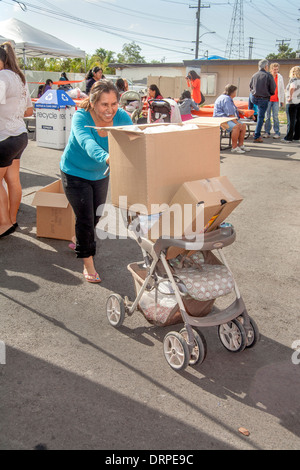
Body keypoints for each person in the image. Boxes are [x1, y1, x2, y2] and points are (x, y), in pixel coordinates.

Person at [60, 79, 132, 283]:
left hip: (101, 173)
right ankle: (88, 264)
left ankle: (78, 238)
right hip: (74, 172)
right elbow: (87, 143)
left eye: (114, 104)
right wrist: (108, 158)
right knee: (85, 219)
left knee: (95, 216)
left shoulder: (122, 116)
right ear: (92, 102)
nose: (110, 110)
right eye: (104, 104)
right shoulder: (81, 117)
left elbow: (135, 138)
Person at [0, 42, 33, 238]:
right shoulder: (19, 78)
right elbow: (29, 110)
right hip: (20, 136)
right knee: (13, 180)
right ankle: (11, 220)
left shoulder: (2, 77)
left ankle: (3, 223)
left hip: (4, 137)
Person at [213, 84, 249, 154]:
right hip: (221, 120)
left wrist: (238, 110)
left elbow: (233, 108)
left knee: (243, 125)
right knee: (236, 126)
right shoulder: (226, 99)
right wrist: (236, 123)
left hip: (227, 118)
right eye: (235, 92)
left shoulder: (227, 98)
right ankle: (234, 147)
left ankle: (241, 145)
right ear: (232, 92)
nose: (235, 93)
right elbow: (230, 114)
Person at [249, 59, 276, 143]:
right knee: (261, 117)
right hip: (263, 98)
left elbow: (250, 86)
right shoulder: (268, 75)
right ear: (266, 66)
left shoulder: (254, 75)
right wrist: (270, 94)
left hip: (254, 97)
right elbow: (272, 88)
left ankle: (250, 112)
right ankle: (257, 136)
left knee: (250, 96)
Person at [263, 63, 285, 139]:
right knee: (267, 116)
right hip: (268, 99)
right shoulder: (267, 76)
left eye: (277, 69)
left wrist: (282, 100)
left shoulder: (280, 77)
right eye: (274, 69)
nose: (276, 71)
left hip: (276, 99)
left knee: (275, 117)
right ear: (271, 69)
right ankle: (267, 132)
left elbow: (282, 89)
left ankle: (277, 132)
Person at [281, 65, 300, 143]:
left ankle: (288, 137)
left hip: (292, 102)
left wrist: (290, 96)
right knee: (298, 120)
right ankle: (296, 136)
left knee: (291, 120)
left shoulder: (293, 80)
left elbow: (292, 87)